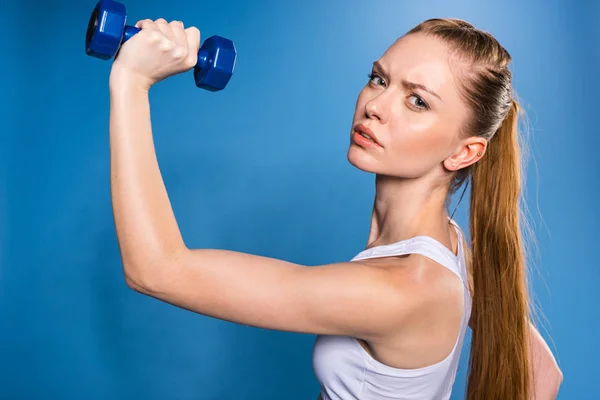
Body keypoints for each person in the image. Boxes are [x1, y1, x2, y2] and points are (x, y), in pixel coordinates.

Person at [107, 16, 563, 400]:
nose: (376, 105)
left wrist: (132, 82)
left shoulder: (401, 290)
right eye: (379, 79)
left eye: (417, 101)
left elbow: (156, 270)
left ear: (465, 153)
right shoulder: (451, 252)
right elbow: (542, 374)